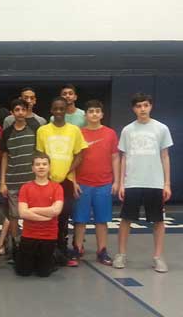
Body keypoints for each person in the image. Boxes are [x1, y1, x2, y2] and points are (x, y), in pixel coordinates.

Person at [113, 93, 173, 273]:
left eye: (145, 105)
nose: (142, 109)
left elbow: (165, 156)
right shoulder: (127, 130)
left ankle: (157, 256)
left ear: (150, 106)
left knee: (158, 221)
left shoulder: (161, 128)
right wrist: (122, 183)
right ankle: (121, 254)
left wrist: (167, 183)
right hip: (132, 182)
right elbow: (123, 158)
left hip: (155, 182)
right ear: (134, 109)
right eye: (138, 106)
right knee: (126, 220)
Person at [36, 97, 87, 263]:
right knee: (47, 218)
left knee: (64, 218)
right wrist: (45, 173)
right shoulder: (42, 131)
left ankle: (62, 252)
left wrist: (68, 171)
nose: (58, 112)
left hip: (67, 181)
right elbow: (40, 155)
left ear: (66, 110)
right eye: (55, 109)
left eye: (61, 109)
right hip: (47, 181)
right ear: (51, 111)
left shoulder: (74, 130)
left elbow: (80, 154)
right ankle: (47, 252)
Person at [70, 100, 119, 267]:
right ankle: (77, 249)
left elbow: (115, 157)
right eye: (91, 111)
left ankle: (102, 251)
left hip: (104, 183)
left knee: (101, 220)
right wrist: (74, 181)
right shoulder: (78, 133)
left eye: (98, 111)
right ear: (86, 115)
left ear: (102, 114)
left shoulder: (110, 133)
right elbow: (74, 158)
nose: (94, 114)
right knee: (80, 220)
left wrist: (116, 181)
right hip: (83, 183)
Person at [15, 152, 64, 277]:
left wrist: (33, 210)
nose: (41, 167)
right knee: (23, 272)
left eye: (44, 164)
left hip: (49, 236)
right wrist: (46, 217)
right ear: (32, 168)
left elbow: (56, 211)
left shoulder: (57, 187)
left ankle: (53, 257)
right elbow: (23, 213)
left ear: (49, 167)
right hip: (29, 235)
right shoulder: (25, 188)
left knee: (43, 273)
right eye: (37, 164)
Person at [0, 99, 37, 259]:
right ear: (12, 113)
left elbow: (39, 153)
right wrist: (2, 182)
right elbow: (5, 157)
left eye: (23, 109)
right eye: (17, 109)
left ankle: (31, 244)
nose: (20, 112)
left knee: (32, 214)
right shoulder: (7, 132)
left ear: (27, 111)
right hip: (13, 180)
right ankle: (16, 245)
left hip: (32, 182)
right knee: (14, 215)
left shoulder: (35, 128)